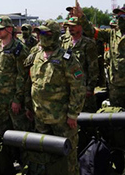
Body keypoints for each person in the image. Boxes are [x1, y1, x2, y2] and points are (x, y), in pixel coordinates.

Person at [74, 5, 125, 166]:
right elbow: (91, 31)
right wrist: (81, 16)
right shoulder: (111, 35)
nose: (119, 19)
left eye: (123, 16)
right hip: (116, 88)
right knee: (117, 119)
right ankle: (120, 150)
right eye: (117, 16)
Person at [29, 20, 85, 174]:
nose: (41, 37)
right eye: (40, 33)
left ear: (54, 35)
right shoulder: (37, 56)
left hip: (61, 119)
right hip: (41, 117)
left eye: (45, 33)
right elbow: (33, 83)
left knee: (68, 158)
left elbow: (78, 87)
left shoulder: (66, 58)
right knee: (46, 157)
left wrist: (73, 114)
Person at [0, 16, 32, 135]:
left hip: (14, 101)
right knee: (2, 133)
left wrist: (17, 99)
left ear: (10, 29)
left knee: (20, 134)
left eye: (1, 29)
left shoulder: (19, 49)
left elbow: (24, 76)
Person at [61, 16, 99, 112]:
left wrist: (90, 88)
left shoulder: (88, 44)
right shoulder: (64, 43)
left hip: (83, 88)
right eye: (69, 26)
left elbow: (93, 68)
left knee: (87, 118)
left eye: (73, 26)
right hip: (68, 88)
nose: (70, 28)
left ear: (80, 27)